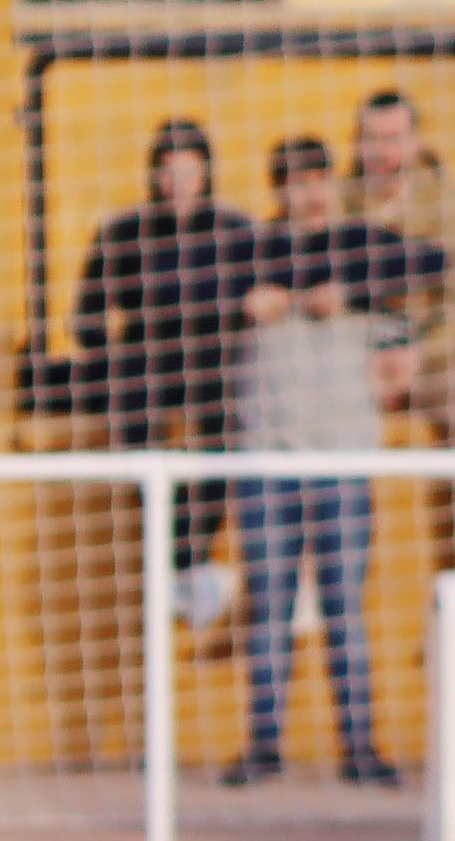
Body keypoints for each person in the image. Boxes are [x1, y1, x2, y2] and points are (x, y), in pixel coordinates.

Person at [223, 134, 445, 787]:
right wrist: (242, 302)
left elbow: (433, 265)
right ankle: (264, 744)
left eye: (319, 178)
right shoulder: (249, 250)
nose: (310, 192)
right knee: (269, 604)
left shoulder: (360, 245)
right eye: (296, 181)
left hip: (343, 454)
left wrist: (350, 297)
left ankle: (359, 746)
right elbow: (194, 295)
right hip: (266, 456)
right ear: (279, 190)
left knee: (345, 604)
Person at [68, 117, 257, 630]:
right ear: (154, 176)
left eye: (189, 173)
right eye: (167, 173)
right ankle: (179, 564)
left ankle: (189, 562)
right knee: (148, 467)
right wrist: (117, 364)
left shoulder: (236, 233)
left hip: (212, 373)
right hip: (145, 375)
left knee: (222, 455)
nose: (177, 185)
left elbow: (266, 303)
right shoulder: (123, 234)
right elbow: (85, 318)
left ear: (207, 176)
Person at [345, 89, 449, 571]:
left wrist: (415, 350)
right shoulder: (335, 201)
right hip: (351, 359)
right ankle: (301, 576)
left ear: (414, 142)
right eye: (372, 140)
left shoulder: (445, 203)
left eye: (394, 139)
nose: (383, 152)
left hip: (432, 358)